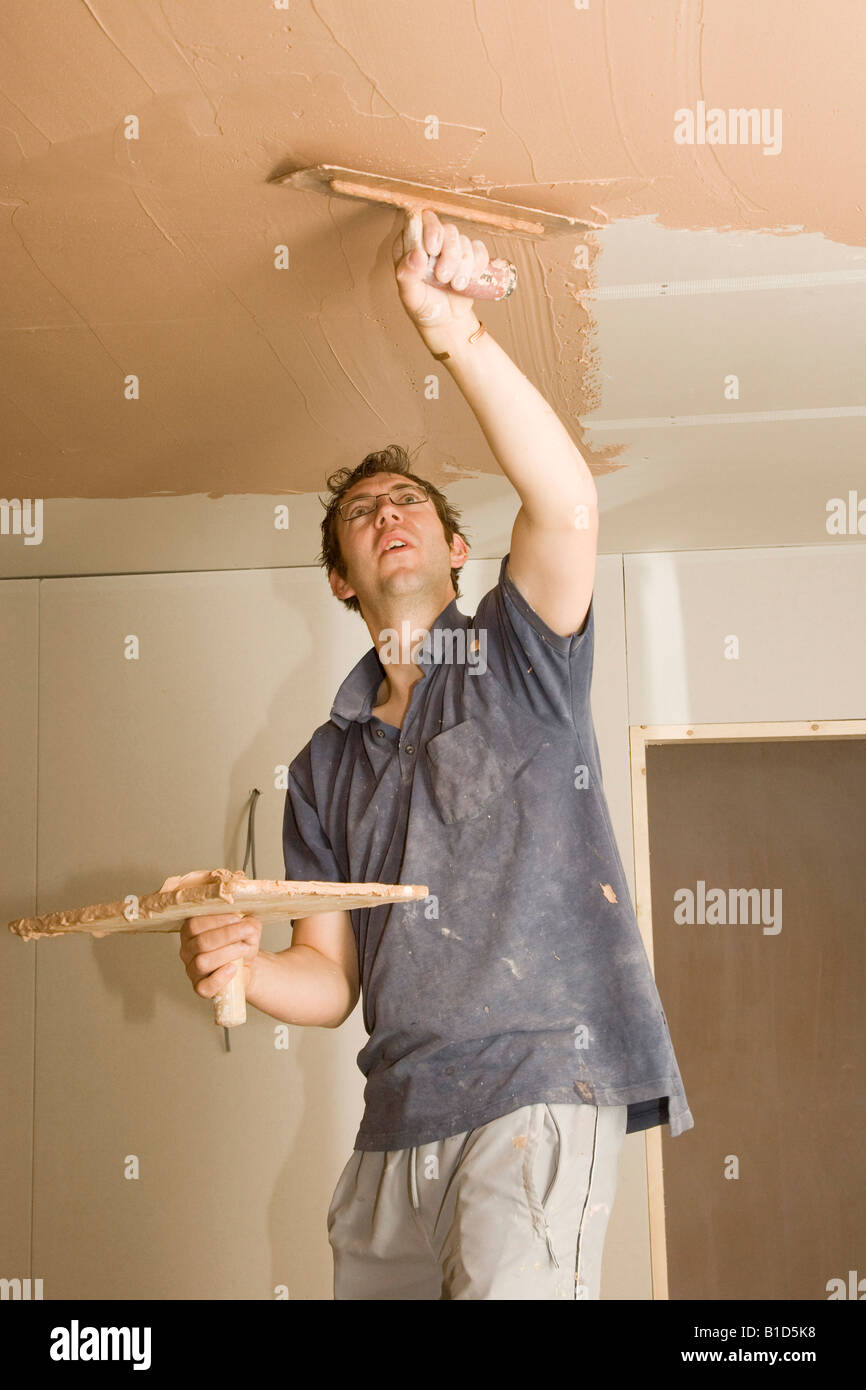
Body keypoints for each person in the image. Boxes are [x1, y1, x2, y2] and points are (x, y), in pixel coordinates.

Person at [180, 209, 693, 1299]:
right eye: (361, 515)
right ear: (339, 578)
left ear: (456, 548)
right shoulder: (322, 765)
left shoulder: (518, 654)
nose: (387, 515)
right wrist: (244, 968)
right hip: (394, 1128)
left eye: (408, 500)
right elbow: (330, 975)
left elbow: (566, 502)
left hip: (535, 1085)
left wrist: (449, 328)